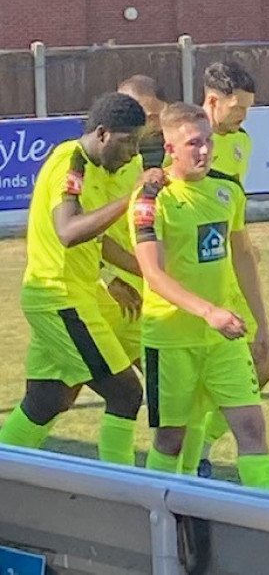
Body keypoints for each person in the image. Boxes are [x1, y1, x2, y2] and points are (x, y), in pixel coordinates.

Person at [0, 93, 155, 465]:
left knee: (47, 400)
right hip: (59, 298)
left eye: (138, 142)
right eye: (128, 141)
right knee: (125, 394)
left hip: (82, 294)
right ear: (102, 134)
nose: (134, 153)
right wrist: (130, 199)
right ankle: (122, 491)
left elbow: (98, 242)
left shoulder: (105, 170)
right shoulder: (71, 163)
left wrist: (151, 273)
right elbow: (69, 231)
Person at [130, 102, 269, 490]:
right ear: (170, 148)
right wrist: (208, 311)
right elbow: (153, 273)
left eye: (208, 141)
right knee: (170, 439)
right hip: (171, 339)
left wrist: (261, 325)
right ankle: (158, 519)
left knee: (251, 428)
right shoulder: (151, 200)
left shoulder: (227, 188)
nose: (205, 151)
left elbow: (242, 255)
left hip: (222, 338)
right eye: (194, 143)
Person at [180, 61, 269, 479]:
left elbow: (231, 210)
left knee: (264, 366)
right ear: (213, 100)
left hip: (231, 272)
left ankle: (199, 451)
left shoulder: (242, 143)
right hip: (197, 283)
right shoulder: (185, 143)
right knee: (199, 390)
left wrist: (244, 244)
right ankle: (188, 462)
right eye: (238, 108)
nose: (243, 117)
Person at [97, 76, 168, 370]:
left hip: (137, 292)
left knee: (152, 384)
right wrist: (108, 278)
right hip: (107, 293)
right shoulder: (96, 164)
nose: (152, 123)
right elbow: (76, 232)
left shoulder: (135, 160)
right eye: (147, 115)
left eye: (155, 116)